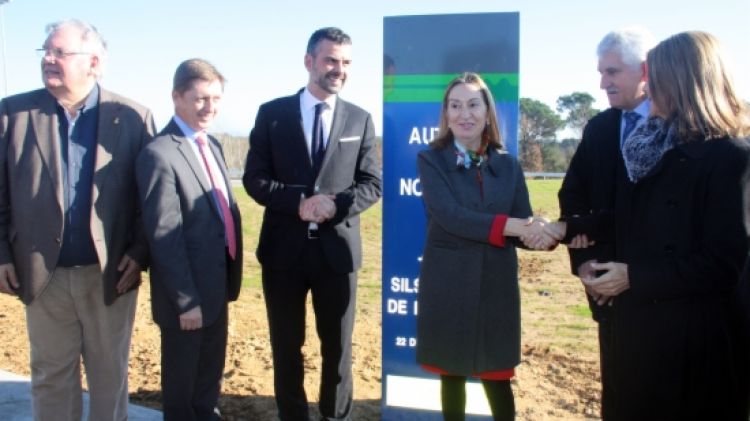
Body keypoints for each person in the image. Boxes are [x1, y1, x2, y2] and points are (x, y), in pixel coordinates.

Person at [584, 31, 750, 420]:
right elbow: (630, 219)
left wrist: (633, 277)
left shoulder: (733, 159)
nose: (646, 86)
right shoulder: (651, 146)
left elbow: (724, 264)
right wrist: (580, 241)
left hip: (697, 350)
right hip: (641, 339)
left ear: (681, 81)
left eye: (653, 76)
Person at [0, 20, 155, 420]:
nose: (49, 60)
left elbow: (150, 200)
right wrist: (1, 254)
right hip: (42, 275)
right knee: (51, 378)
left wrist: (138, 255)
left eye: (59, 53)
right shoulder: (12, 115)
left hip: (109, 277)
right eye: (45, 52)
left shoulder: (134, 117)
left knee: (109, 378)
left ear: (94, 63)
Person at [243, 27, 381, 421]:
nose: (339, 69)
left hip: (337, 255)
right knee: (286, 346)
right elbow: (255, 178)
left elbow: (372, 184)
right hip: (283, 253)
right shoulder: (272, 114)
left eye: (346, 62)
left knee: (338, 348)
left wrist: (334, 205)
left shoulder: (360, 118)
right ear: (309, 62)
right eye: (331, 60)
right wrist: (298, 203)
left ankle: (335, 417)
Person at [416, 72, 558, 421]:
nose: (464, 114)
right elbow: (451, 216)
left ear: (487, 111)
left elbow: (521, 221)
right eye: (455, 105)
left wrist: (546, 234)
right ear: (446, 114)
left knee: (497, 377)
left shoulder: (508, 165)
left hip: (495, 284)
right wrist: (515, 226)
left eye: (473, 104)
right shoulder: (431, 160)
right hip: (449, 284)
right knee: (452, 374)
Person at [553, 27, 653, 420]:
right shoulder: (599, 128)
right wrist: (588, 264)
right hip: (606, 297)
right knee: (617, 394)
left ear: (644, 69)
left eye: (612, 72)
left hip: (663, 295)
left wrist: (635, 272)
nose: (602, 83)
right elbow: (571, 197)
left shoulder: (681, 128)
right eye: (600, 72)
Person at [136, 59, 243, 420]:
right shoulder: (159, 153)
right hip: (187, 299)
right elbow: (164, 237)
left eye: (216, 98)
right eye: (200, 99)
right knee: (182, 396)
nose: (209, 108)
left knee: (206, 388)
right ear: (176, 96)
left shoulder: (210, 144)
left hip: (216, 288)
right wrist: (186, 302)